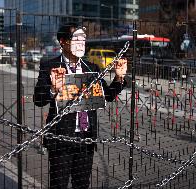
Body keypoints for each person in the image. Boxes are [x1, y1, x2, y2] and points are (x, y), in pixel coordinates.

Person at [34, 22, 127, 189]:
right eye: (76, 38)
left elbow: (108, 96)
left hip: (86, 137)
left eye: (83, 39)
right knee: (58, 184)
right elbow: (38, 100)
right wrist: (53, 89)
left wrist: (119, 78)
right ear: (63, 41)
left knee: (82, 184)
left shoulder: (92, 68)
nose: (81, 42)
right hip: (61, 138)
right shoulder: (50, 66)